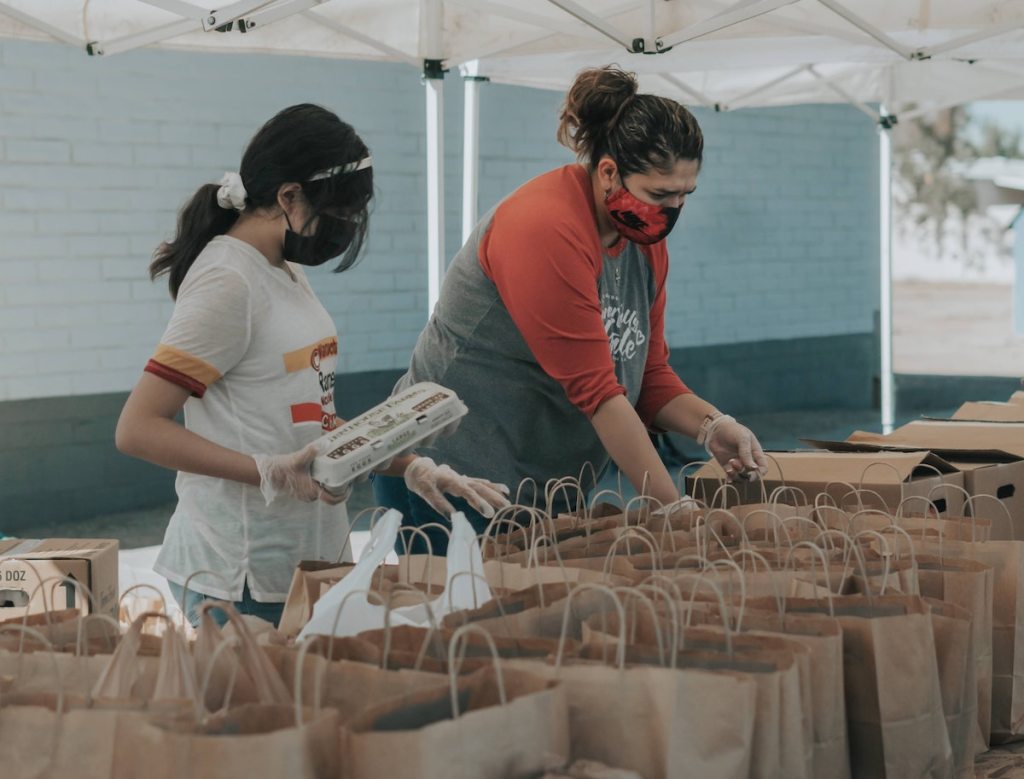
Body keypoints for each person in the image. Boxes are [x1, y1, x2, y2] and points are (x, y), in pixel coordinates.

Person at [116, 104, 508, 627]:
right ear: (288, 197)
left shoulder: (283, 268)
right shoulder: (227, 280)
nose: (344, 229)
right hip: (241, 574)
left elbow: (307, 423)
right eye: (339, 214)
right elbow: (138, 429)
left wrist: (405, 460)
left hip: (307, 562)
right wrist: (267, 470)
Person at [373, 67, 768, 554]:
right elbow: (599, 393)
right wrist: (674, 509)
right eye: (660, 195)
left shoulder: (643, 242)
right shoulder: (544, 228)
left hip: (540, 487)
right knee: (461, 622)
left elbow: (647, 373)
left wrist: (713, 425)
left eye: (685, 195)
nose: (671, 211)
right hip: (451, 477)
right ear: (608, 172)